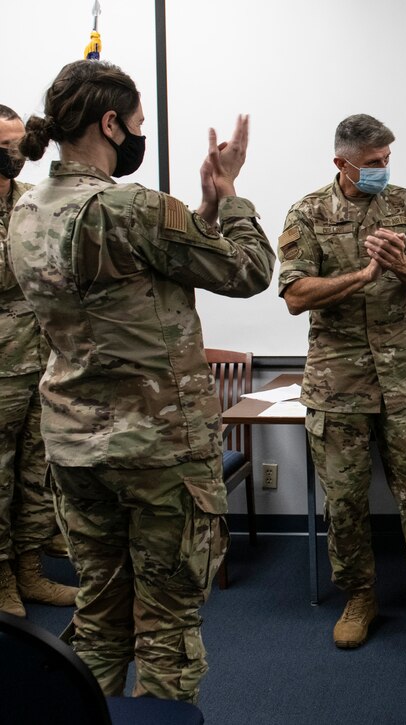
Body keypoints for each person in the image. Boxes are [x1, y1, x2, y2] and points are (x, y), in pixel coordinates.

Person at [8, 60, 275, 702]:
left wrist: (201, 211)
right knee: (166, 626)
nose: (139, 135)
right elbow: (250, 270)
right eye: (137, 123)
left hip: (74, 448)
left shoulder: (28, 208)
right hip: (157, 454)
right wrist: (230, 195)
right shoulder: (133, 207)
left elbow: (136, 270)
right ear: (110, 124)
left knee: (99, 617)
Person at [279, 113, 406, 649]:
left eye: (388, 159)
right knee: (345, 500)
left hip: (404, 381)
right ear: (341, 163)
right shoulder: (307, 213)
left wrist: (400, 266)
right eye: (373, 162)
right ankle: (359, 596)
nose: (384, 169)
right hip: (337, 383)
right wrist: (362, 276)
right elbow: (296, 295)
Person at [0, 104, 77, 617]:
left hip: (44, 361)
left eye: (16, 142)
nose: (15, 153)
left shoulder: (31, 199)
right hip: (2, 369)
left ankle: (29, 571)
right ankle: (2, 578)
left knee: (36, 471)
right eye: (3, 146)